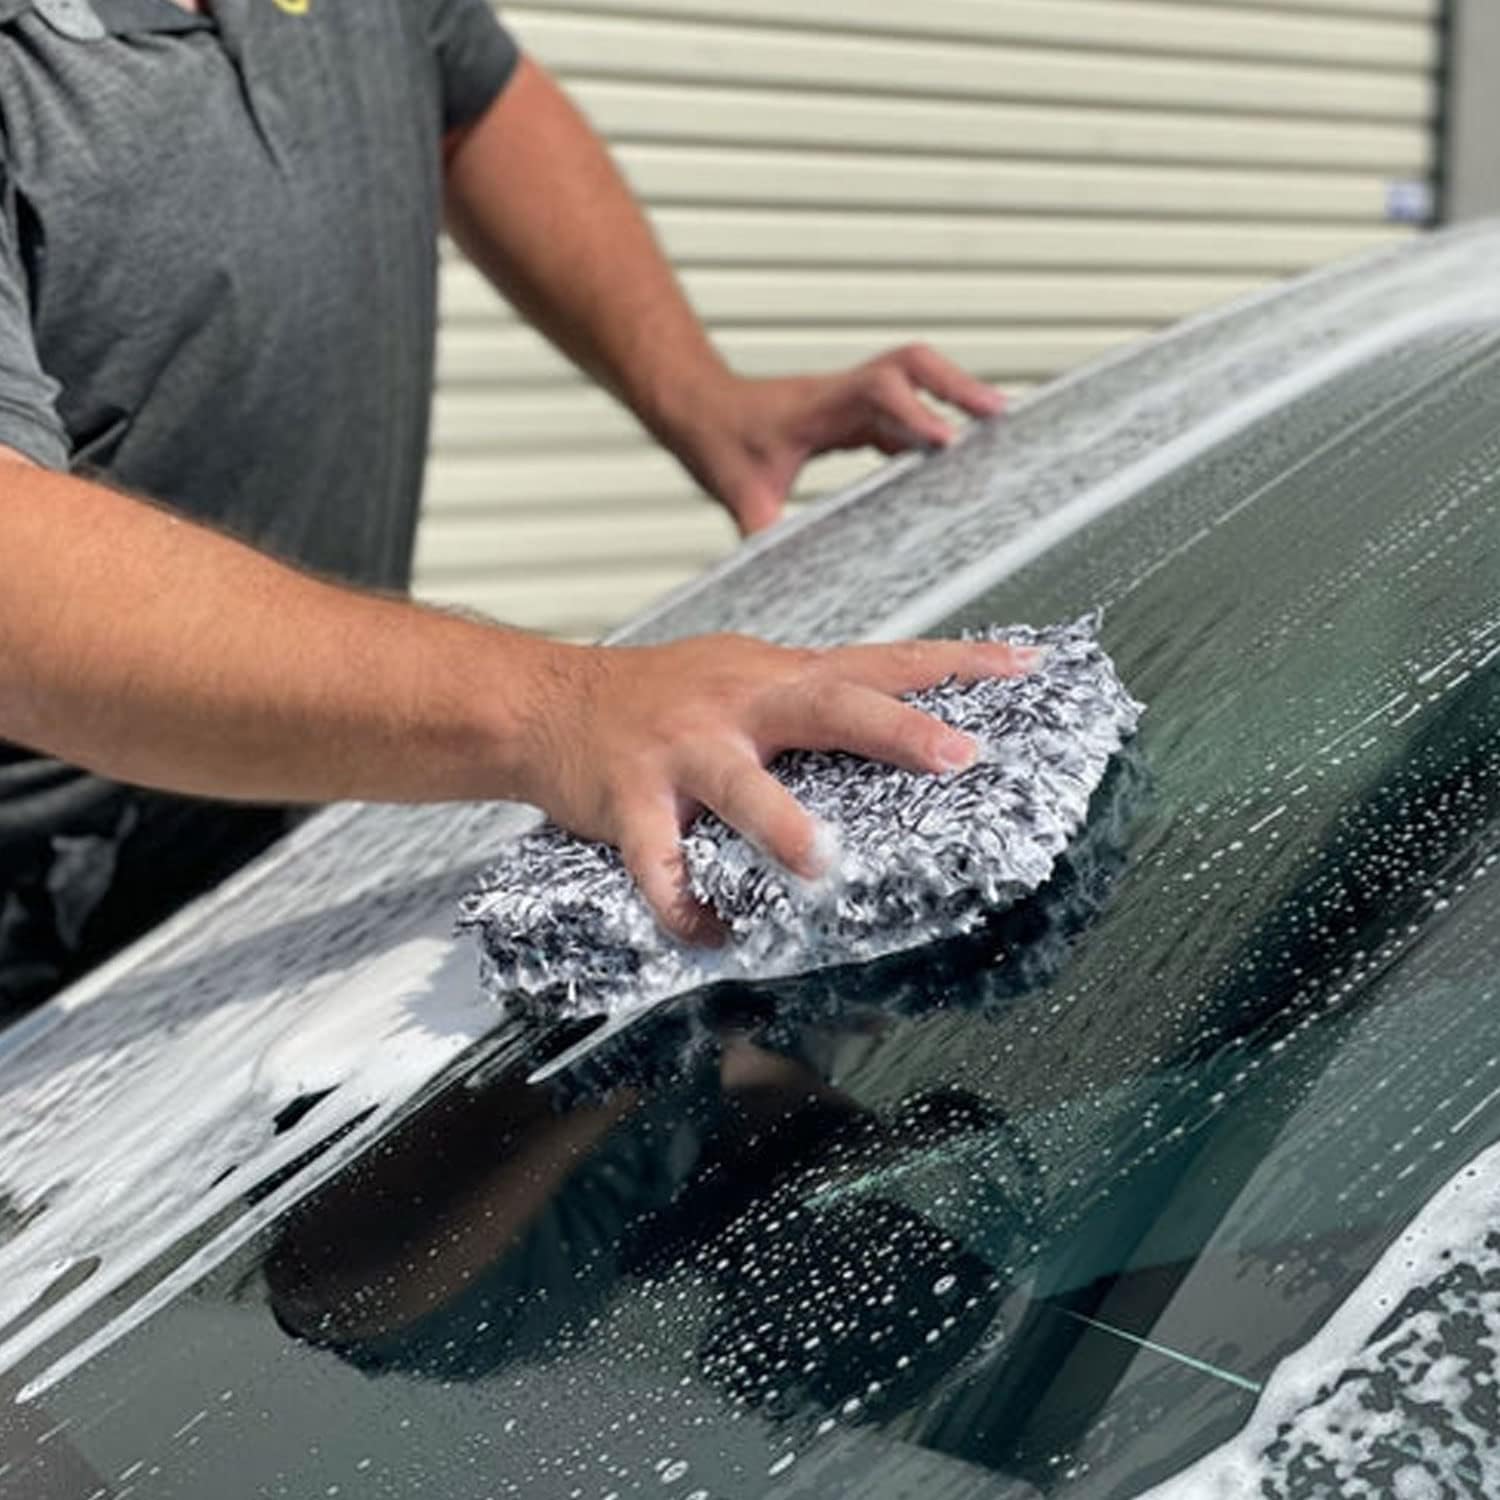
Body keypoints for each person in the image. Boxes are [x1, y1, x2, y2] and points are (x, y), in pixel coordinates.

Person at [0, 0, 1037, 1015]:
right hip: (48, 981)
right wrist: (554, 713)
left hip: (307, 867)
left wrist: (698, 398)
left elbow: (470, 96)